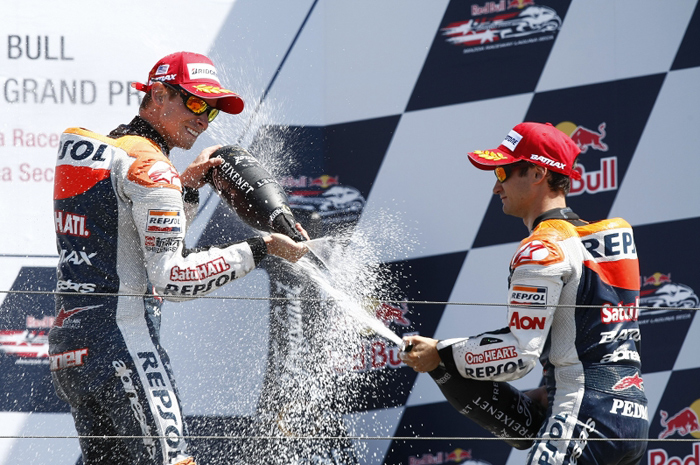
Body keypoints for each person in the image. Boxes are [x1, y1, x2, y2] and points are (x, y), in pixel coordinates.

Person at [49, 51, 309, 465]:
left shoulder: (103, 152)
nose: (205, 119)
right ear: (157, 95)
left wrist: (185, 187)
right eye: (195, 103)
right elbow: (172, 279)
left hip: (72, 348)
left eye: (212, 110)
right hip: (124, 344)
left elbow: (125, 237)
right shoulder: (152, 171)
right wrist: (263, 248)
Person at [401, 122, 648, 464]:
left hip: (581, 418)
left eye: (502, 172)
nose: (495, 187)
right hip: (631, 419)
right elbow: (591, 345)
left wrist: (441, 353)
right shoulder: (612, 242)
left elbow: (518, 355)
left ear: (537, 173)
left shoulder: (542, 249)